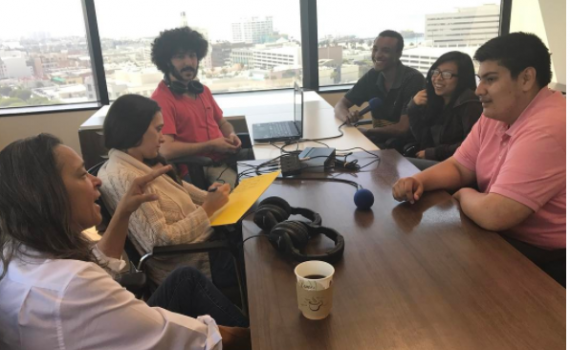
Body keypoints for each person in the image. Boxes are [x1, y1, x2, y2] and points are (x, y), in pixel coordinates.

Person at [0, 134, 250, 350]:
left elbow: (100, 265)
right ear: (47, 197)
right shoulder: (74, 286)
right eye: (80, 175)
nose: (95, 179)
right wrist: (258, 337)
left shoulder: (14, 253)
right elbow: (192, 339)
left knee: (184, 279)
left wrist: (123, 212)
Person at [392, 32, 566, 286]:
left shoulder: (547, 127)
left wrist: (463, 194)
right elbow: (459, 166)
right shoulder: (497, 113)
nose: (478, 90)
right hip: (499, 235)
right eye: (480, 79)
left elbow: (496, 214)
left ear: (526, 78)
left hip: (543, 257)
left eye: (491, 79)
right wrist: (418, 181)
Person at [98, 94, 238, 290]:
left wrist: (216, 196)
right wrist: (207, 208)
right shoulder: (125, 177)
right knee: (257, 253)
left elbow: (188, 194)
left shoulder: (140, 163)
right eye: (158, 130)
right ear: (135, 130)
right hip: (194, 262)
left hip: (206, 245)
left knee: (258, 220)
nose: (162, 138)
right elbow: (160, 241)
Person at [151, 27, 251, 189]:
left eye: (192, 56)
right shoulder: (161, 100)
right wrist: (211, 145)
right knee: (237, 189)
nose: (188, 63)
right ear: (167, 61)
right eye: (180, 57)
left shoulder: (202, 90)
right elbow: (165, 149)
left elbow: (222, 123)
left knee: (272, 165)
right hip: (201, 166)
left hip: (225, 156)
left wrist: (231, 135)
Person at [334, 30, 425, 146]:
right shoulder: (372, 75)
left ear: (398, 54)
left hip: (407, 147)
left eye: (385, 50)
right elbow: (340, 105)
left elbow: (403, 129)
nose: (377, 55)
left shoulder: (413, 79)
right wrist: (346, 117)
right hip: (380, 144)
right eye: (375, 49)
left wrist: (368, 131)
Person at [405, 51, 482, 170]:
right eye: (435, 72)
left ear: (462, 78)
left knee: (399, 163)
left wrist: (433, 153)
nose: (438, 78)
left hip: (460, 167)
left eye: (446, 74)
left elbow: (471, 145)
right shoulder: (438, 100)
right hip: (440, 161)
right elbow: (423, 139)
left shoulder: (470, 104)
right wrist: (413, 107)